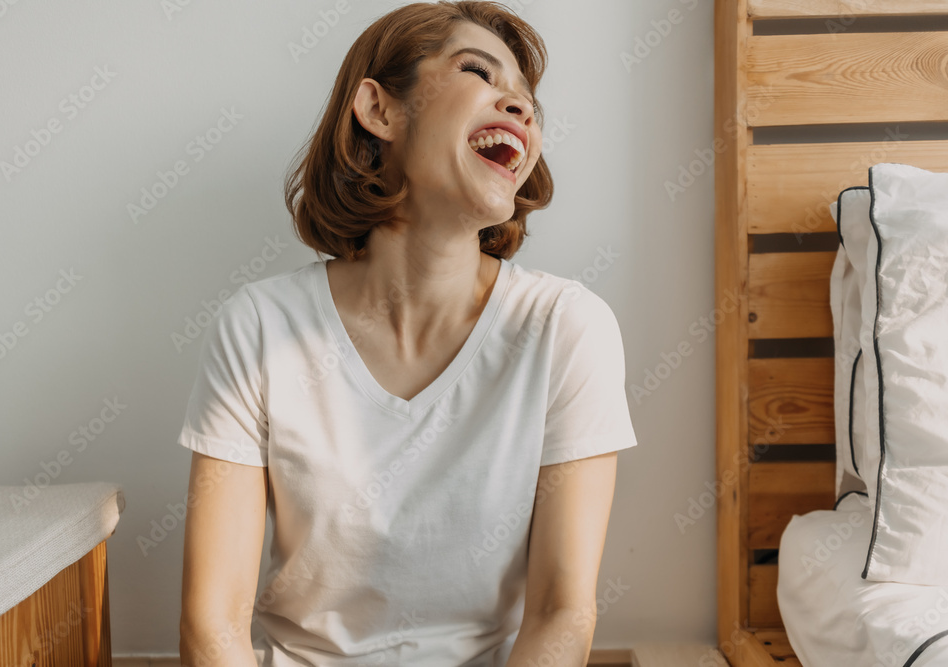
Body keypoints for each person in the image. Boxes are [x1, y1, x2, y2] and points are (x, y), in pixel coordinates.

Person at [177, 2, 638, 665]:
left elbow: (562, 612)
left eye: (529, 102)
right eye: (480, 71)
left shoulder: (565, 327)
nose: (521, 109)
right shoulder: (258, 326)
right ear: (378, 109)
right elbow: (211, 622)